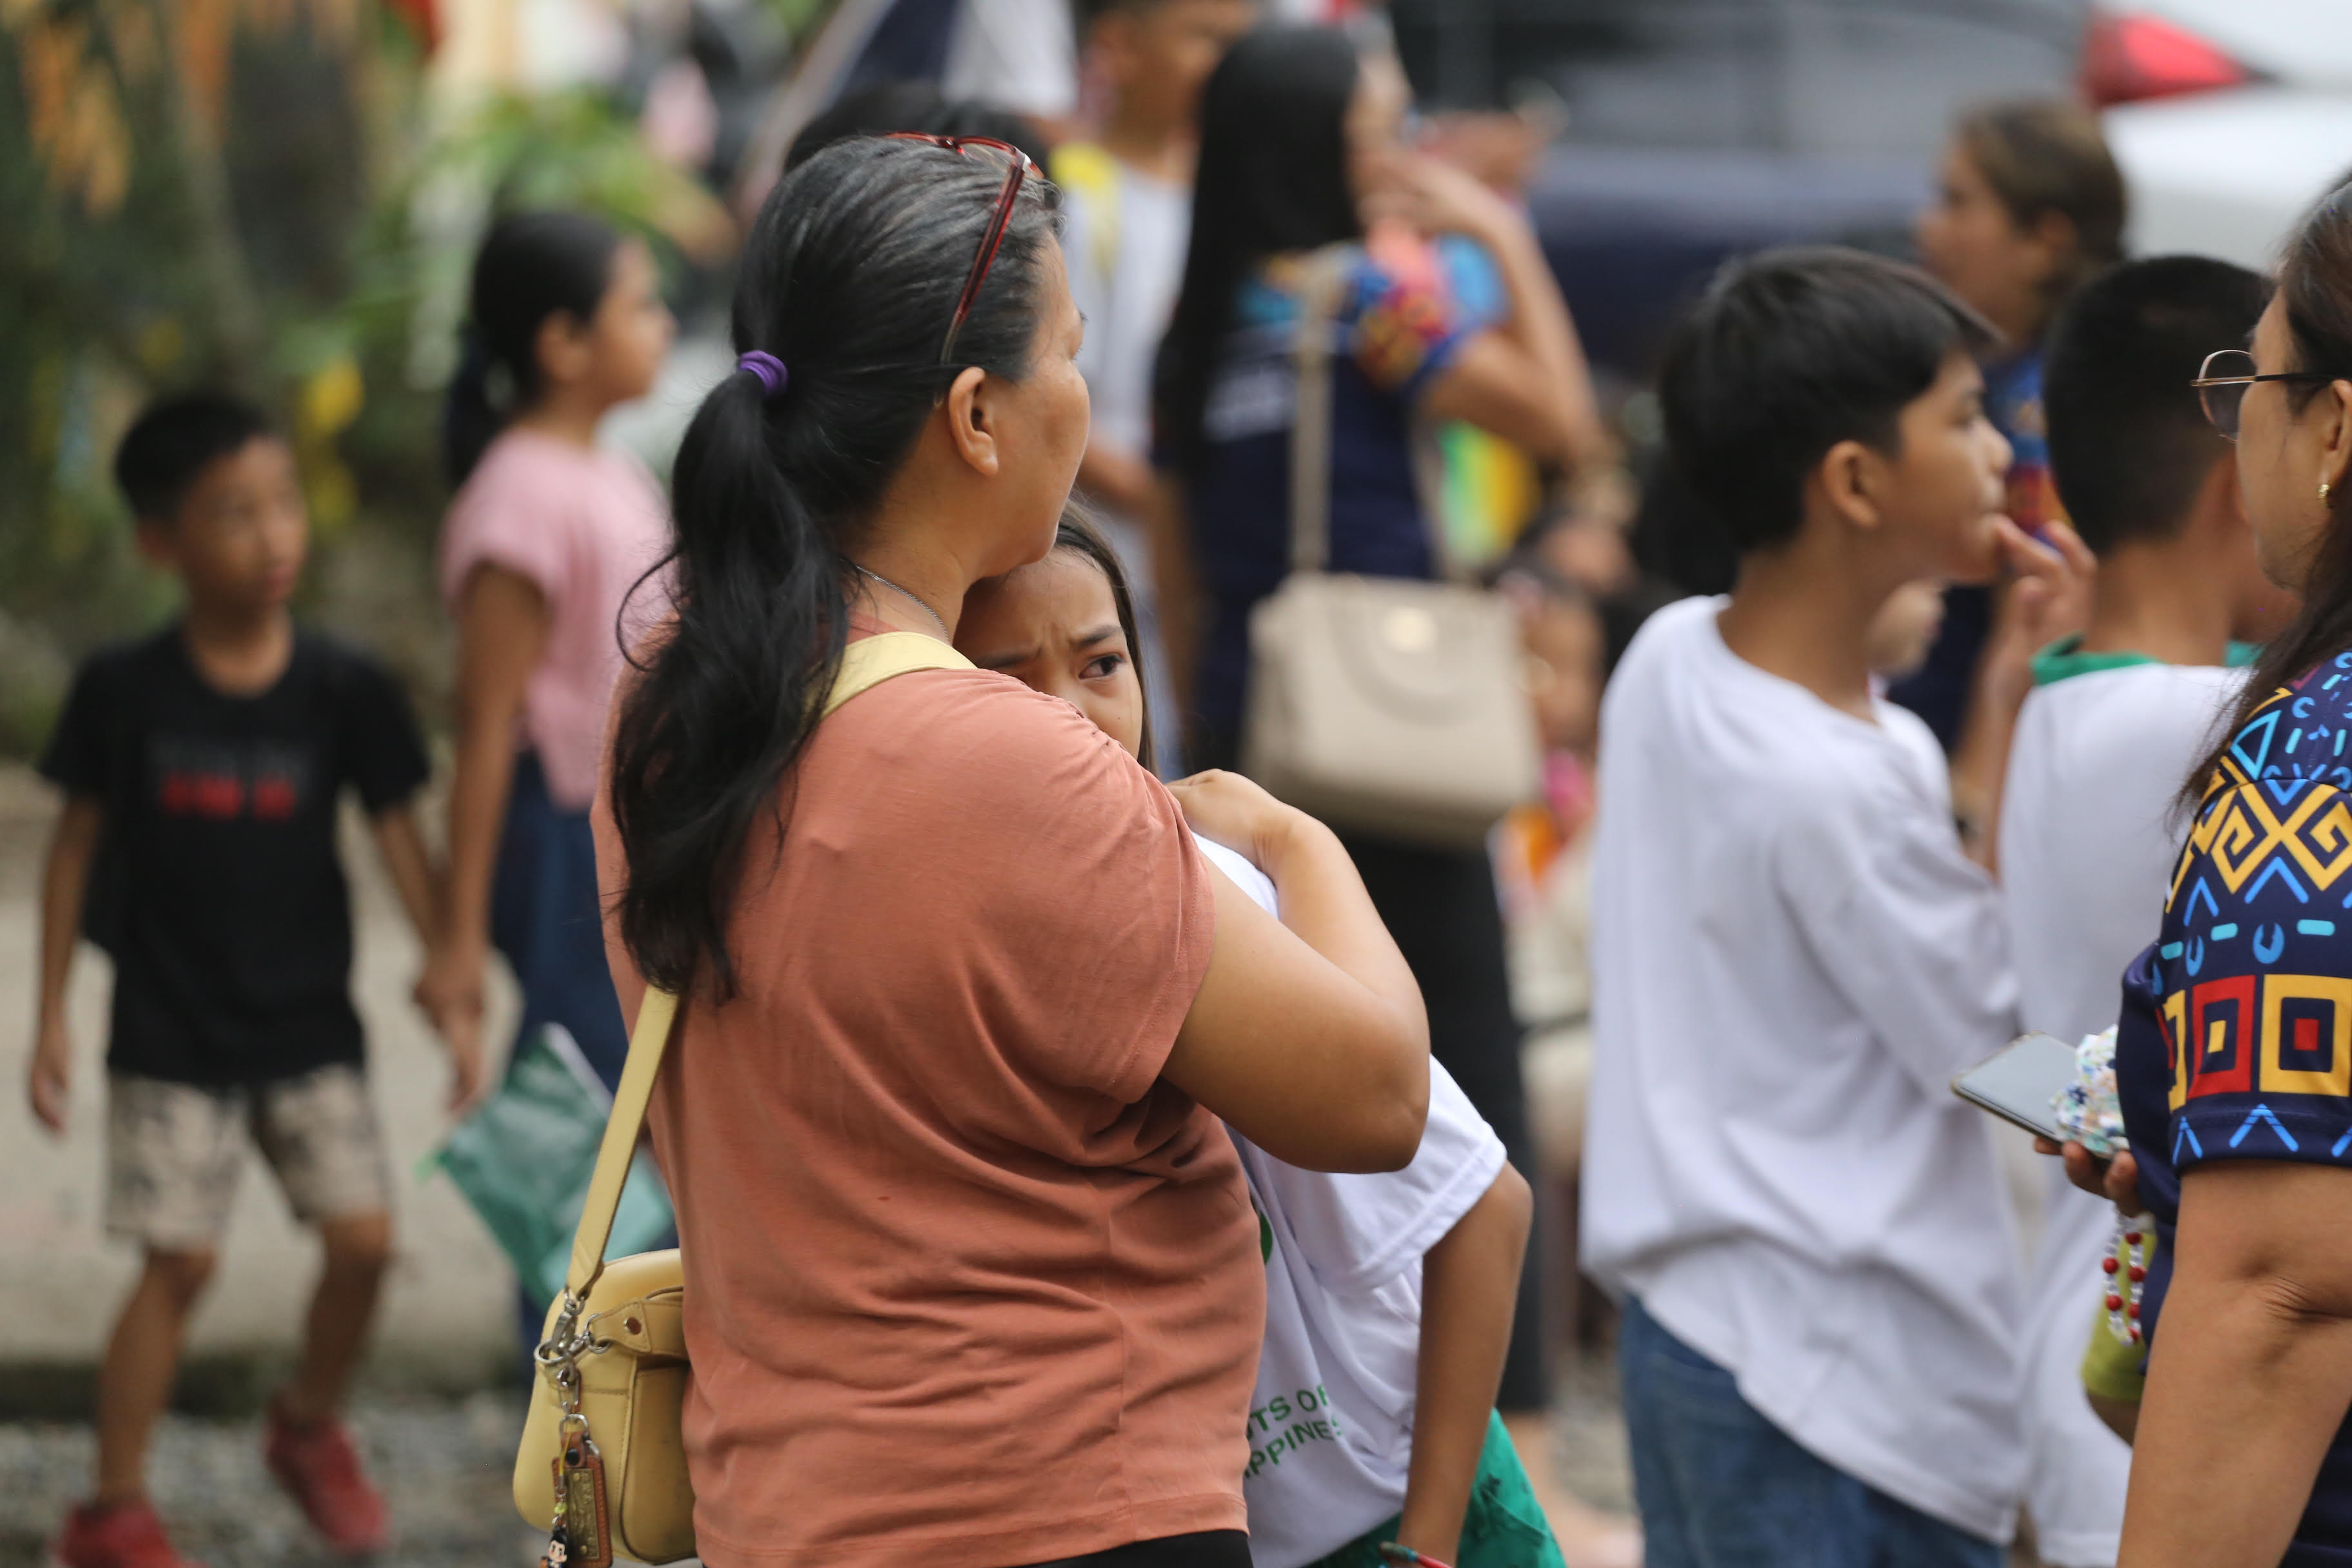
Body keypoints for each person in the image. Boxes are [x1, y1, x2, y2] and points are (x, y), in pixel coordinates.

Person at [593, 135, 1431, 1567]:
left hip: (776, 1514)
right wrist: (1298, 843)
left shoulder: (675, 702)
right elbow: (1372, 1095)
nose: (1085, 401)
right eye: (1069, 354)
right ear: (978, 416)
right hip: (1063, 1511)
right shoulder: (1009, 765)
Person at [1154, 23, 1602, 1496]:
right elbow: (1563, 423)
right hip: (1394, 742)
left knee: (1280, 1119)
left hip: (1254, 747)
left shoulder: (1197, 319)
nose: (1396, 149)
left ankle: (1312, 1443)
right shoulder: (1366, 306)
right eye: (1377, 128)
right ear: (1320, 152)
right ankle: (1501, 1455)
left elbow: (1178, 571)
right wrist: (1485, 228)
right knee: (1468, 1077)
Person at [1582, 247, 2076, 1565]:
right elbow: (2004, 1057)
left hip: (1696, 1333)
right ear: (1856, 484)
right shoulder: (1840, 781)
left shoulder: (1671, 655)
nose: (1998, 451)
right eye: (1965, 418)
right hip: (1836, 1380)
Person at [954, 510, 1561, 1568]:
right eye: (1008, 679)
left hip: (1400, 1506)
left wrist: (1422, 1549)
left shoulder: (1211, 896)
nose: (1068, 716)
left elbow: (1484, 1203)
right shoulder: (949, 941)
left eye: (1101, 664)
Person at [28, 393, 456, 1568]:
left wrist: (450, 965)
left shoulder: (342, 686)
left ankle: (306, 1426)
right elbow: (70, 847)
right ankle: (111, 1507)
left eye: (282, 504)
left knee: (366, 1241)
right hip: (168, 1030)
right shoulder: (124, 690)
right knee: (183, 1259)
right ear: (160, 542)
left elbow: (396, 834)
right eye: (233, 514)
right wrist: (51, 1017)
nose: (273, 535)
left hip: (307, 1022)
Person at [2051, 181, 2352, 1568]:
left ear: (2336, 428)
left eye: (2256, 385)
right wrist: (2192, 1151)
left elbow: (2283, 1288)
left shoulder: (2311, 767)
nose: (2241, 435)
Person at [1992, 255, 2280, 1568]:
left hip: (2099, 1358)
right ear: (2247, 475)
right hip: (2172, 1395)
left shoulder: (2069, 689)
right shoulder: (2207, 729)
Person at [416, 211, 674, 1105]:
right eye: (640, 307)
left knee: (632, 1072)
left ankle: (610, 1244)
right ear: (563, 343)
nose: (664, 325)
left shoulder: (612, 469)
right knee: (586, 1081)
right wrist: (456, 938)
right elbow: (484, 725)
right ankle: (568, 1246)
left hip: (619, 816)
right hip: (559, 827)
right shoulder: (518, 499)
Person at [1900, 99, 2126, 830]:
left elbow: (2026, 615)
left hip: (1982, 765)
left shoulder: (2047, 400)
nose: (1926, 226)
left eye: (1956, 201)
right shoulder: (2009, 368)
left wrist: (1967, 809)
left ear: (2043, 242)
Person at [1056, 0, 1255, 772]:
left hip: (1207, 577)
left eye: (1241, 43)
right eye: (1204, 38)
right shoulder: (1078, 194)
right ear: (1119, 44)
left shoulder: (1230, 193)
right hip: (1125, 573)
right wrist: (1179, 509)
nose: (1228, 64)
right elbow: (1060, 401)